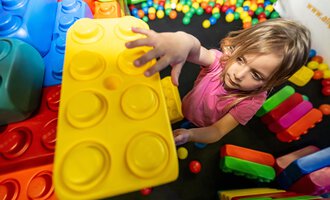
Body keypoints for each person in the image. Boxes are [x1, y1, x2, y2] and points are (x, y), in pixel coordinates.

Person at [125, 18, 311, 146]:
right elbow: (194, 49)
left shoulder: (251, 101)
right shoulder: (221, 61)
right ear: (236, 49)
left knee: (193, 133)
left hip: (203, 126)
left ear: (272, 81)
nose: (238, 74)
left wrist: (191, 135)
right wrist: (182, 40)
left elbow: (217, 131)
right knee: (184, 117)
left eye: (256, 75)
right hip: (189, 104)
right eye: (241, 60)